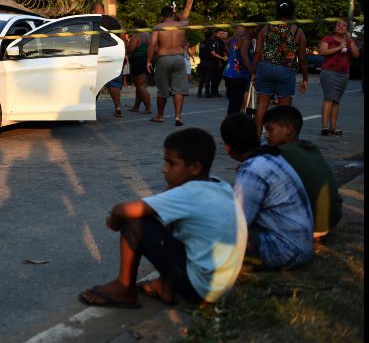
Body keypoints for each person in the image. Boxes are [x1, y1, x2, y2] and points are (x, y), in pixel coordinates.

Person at [79, 128, 247, 308]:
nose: (164, 169)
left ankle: (124, 287)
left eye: (171, 164)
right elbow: (163, 204)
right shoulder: (217, 185)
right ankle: (164, 286)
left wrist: (113, 222)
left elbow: (122, 211)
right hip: (222, 286)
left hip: (202, 290)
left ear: (195, 168)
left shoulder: (190, 193)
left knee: (135, 222)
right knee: (167, 218)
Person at [220, 112, 313, 270]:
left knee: (209, 232)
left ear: (228, 147)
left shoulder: (252, 169)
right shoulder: (271, 156)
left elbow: (239, 222)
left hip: (287, 250)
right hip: (300, 242)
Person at [263, 105, 342, 240]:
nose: (266, 135)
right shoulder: (310, 148)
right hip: (331, 223)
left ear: (288, 129)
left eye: (270, 129)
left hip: (309, 228)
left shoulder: (281, 154)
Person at [252, 0, 308, 139]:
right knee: (284, 111)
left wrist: (253, 73)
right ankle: (281, 141)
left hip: (265, 68)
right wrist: (305, 78)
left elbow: (257, 53)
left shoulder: (266, 28)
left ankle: (256, 138)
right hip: (285, 70)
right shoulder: (298, 32)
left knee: (262, 106)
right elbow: (302, 58)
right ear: (292, 12)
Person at [147, 6, 188, 126]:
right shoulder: (181, 25)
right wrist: (177, 13)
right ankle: (178, 117)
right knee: (179, 90)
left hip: (163, 58)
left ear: (162, 16)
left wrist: (149, 61)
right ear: (172, 14)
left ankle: (160, 116)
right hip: (179, 58)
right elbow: (185, 20)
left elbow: (152, 45)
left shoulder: (158, 27)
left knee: (162, 90)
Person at [318, 20, 360, 136]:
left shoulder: (349, 41)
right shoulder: (328, 39)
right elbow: (322, 51)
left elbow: (356, 55)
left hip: (343, 74)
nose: (341, 27)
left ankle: (333, 127)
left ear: (347, 29)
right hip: (329, 72)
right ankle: (324, 127)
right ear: (335, 27)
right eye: (338, 25)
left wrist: (350, 42)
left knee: (336, 100)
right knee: (329, 98)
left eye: (344, 25)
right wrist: (339, 47)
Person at [222, 15, 263, 115]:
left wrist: (233, 58)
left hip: (228, 73)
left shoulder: (238, 34)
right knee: (236, 106)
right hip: (238, 76)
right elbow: (244, 55)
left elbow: (226, 43)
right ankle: (231, 128)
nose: (258, 33)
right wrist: (252, 72)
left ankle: (231, 126)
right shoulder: (247, 37)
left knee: (233, 105)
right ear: (253, 26)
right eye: (258, 30)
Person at [93, 2, 128, 117]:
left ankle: (91, 107)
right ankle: (118, 107)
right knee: (114, 82)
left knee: (95, 82)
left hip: (96, 54)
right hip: (113, 53)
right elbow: (123, 37)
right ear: (103, 10)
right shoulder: (113, 20)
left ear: (94, 11)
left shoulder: (92, 21)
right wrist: (125, 53)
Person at [126, 19, 152, 114]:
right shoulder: (149, 35)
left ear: (136, 26)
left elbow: (130, 50)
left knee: (141, 86)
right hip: (148, 60)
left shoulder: (136, 36)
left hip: (138, 60)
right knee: (140, 85)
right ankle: (136, 106)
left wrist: (128, 45)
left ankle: (148, 107)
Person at [196, 31, 217, 98]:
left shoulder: (202, 43)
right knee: (208, 78)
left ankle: (199, 92)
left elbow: (200, 53)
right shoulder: (211, 42)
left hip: (202, 62)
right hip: (209, 62)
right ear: (211, 36)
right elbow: (213, 53)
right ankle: (207, 93)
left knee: (202, 78)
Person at [210, 29, 228, 97]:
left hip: (220, 61)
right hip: (215, 62)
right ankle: (213, 92)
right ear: (217, 33)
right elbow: (214, 53)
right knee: (215, 77)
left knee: (218, 77)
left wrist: (225, 56)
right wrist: (221, 59)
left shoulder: (221, 41)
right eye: (221, 33)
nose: (222, 34)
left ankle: (215, 92)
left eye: (223, 33)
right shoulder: (214, 40)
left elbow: (222, 51)